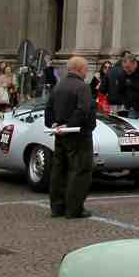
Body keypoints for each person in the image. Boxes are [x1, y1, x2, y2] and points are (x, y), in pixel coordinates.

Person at [45, 55, 97, 220]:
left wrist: (54, 124)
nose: (86, 72)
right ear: (80, 69)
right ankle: (74, 209)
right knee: (80, 170)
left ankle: (57, 207)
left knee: (59, 169)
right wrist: (69, 125)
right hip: (78, 133)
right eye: (86, 69)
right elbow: (84, 109)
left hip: (59, 133)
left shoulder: (59, 86)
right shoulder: (82, 87)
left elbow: (48, 108)